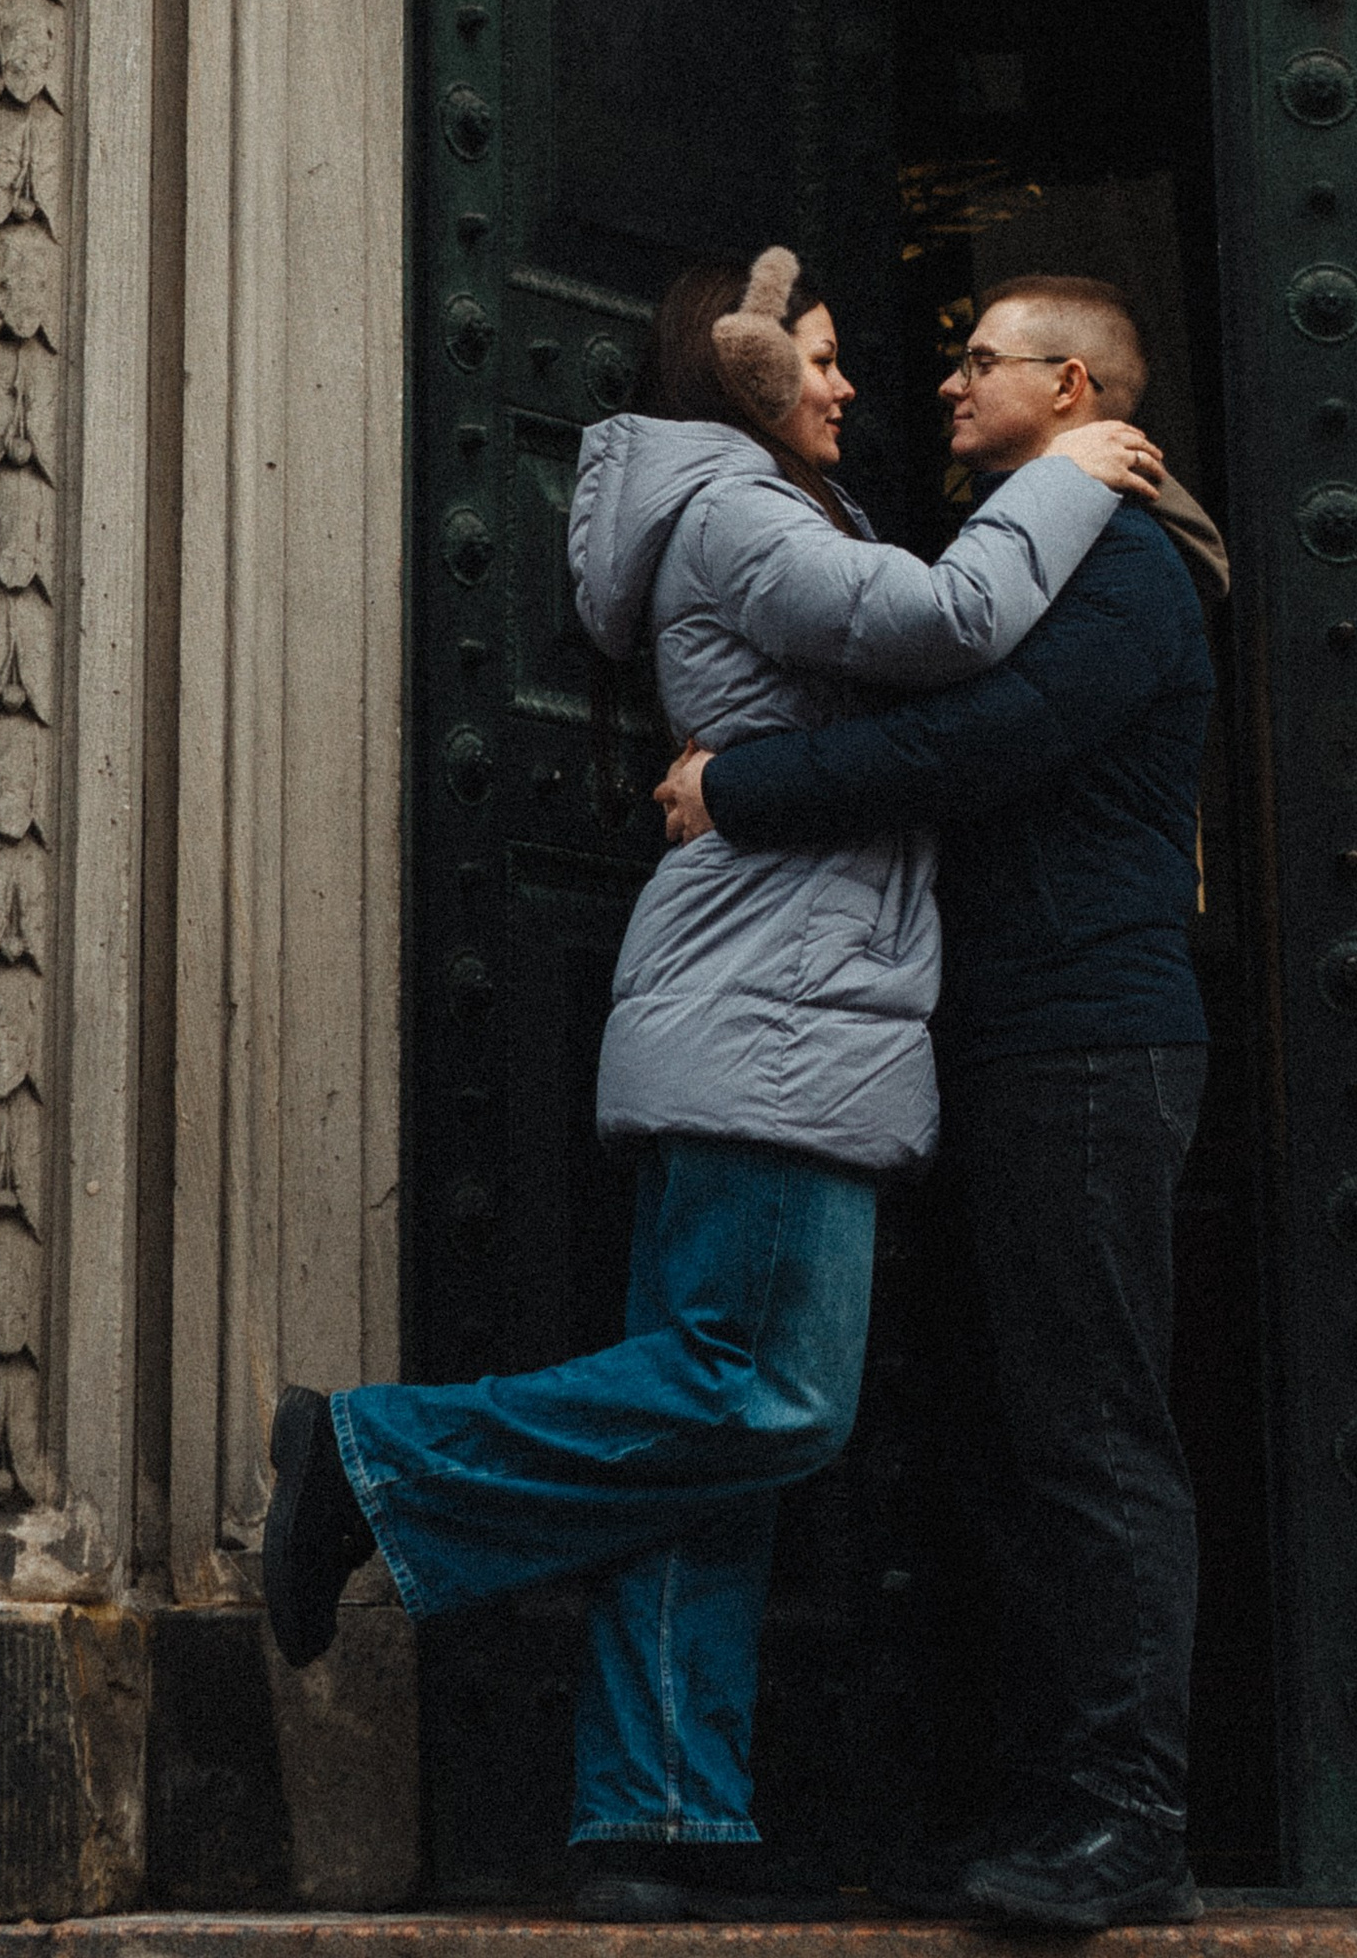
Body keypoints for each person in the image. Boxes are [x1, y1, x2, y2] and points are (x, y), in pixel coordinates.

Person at [262, 247, 1163, 1921]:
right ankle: (371, 1466)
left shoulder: (752, 511)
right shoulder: (743, 514)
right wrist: (1068, 480)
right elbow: (951, 623)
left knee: (708, 1418)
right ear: (737, 376)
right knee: (769, 1398)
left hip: (778, 1006)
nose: (846, 389)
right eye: (816, 360)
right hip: (776, 1014)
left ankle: (655, 1812)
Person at [657, 273, 1223, 1932]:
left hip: (1092, 1046)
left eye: (981, 361)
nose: (950, 382)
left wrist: (741, 786)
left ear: (1072, 388)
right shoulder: (1045, 549)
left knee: (1093, 1436)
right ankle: (1037, 1803)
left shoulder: (1124, 562)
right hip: (1003, 1041)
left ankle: (1131, 1828)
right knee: (1003, 1434)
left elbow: (987, 742)